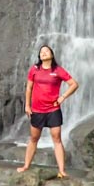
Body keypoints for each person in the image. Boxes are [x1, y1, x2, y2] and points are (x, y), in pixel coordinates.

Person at [16, 44, 79, 179]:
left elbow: (74, 84)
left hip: (53, 109)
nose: (43, 53)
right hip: (37, 110)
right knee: (34, 138)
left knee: (57, 139)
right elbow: (29, 88)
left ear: (52, 54)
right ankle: (26, 165)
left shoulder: (58, 70)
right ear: (39, 56)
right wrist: (27, 105)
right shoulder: (34, 69)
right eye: (41, 52)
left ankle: (62, 170)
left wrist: (62, 97)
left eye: (46, 51)